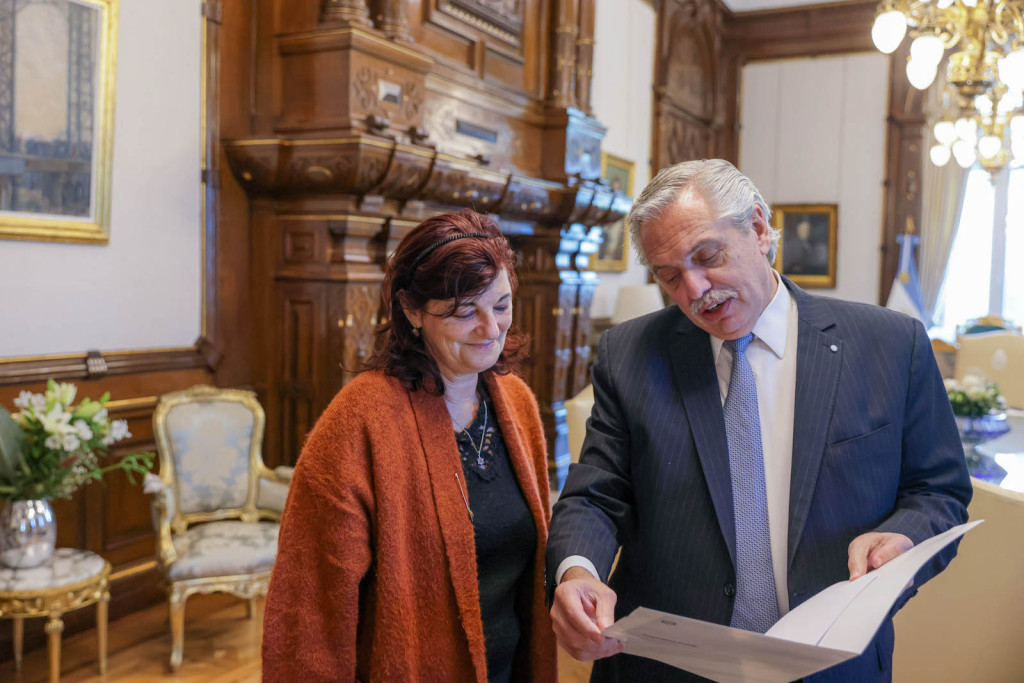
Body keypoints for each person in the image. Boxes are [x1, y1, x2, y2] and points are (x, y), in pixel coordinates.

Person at [546, 159, 972, 682]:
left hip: (831, 667)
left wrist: (905, 537)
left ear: (758, 229)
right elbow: (594, 496)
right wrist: (577, 571)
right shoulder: (629, 354)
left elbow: (940, 491)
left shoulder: (890, 345)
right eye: (670, 276)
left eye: (708, 255)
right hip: (667, 666)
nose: (696, 290)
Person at [263, 210, 557, 682]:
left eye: (501, 305)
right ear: (412, 310)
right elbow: (310, 613)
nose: (491, 330)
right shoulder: (359, 421)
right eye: (465, 312)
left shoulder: (517, 403)